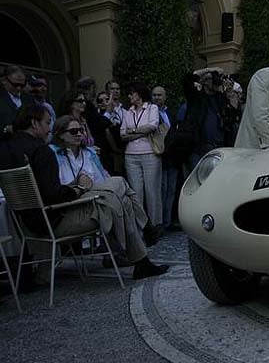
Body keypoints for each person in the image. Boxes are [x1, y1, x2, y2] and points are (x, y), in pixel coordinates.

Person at [0, 105, 167, 279]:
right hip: (54, 221)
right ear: (35, 123)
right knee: (118, 190)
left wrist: (74, 186)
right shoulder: (43, 152)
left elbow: (42, 190)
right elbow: (53, 196)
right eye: (47, 122)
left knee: (118, 191)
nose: (49, 128)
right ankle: (145, 234)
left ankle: (143, 260)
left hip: (25, 224)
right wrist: (79, 189)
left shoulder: (6, 149)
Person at [120, 81, 163, 229]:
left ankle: (155, 224)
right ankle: (141, 225)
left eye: (132, 93)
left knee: (152, 191)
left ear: (139, 94)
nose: (129, 96)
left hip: (150, 153)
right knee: (136, 193)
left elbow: (152, 126)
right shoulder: (128, 112)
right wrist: (139, 132)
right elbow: (122, 134)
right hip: (131, 156)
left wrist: (132, 132)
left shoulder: (152, 108)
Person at [151, 86, 177, 231]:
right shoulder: (149, 113)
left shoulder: (170, 112)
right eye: (154, 95)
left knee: (171, 190)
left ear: (165, 96)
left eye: (159, 95)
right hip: (158, 154)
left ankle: (168, 221)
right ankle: (160, 222)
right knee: (161, 189)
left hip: (171, 155)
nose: (157, 97)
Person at [1, 65, 34, 140]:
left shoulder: (29, 99)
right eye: (15, 85)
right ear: (4, 81)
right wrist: (6, 129)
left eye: (22, 85)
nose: (18, 88)